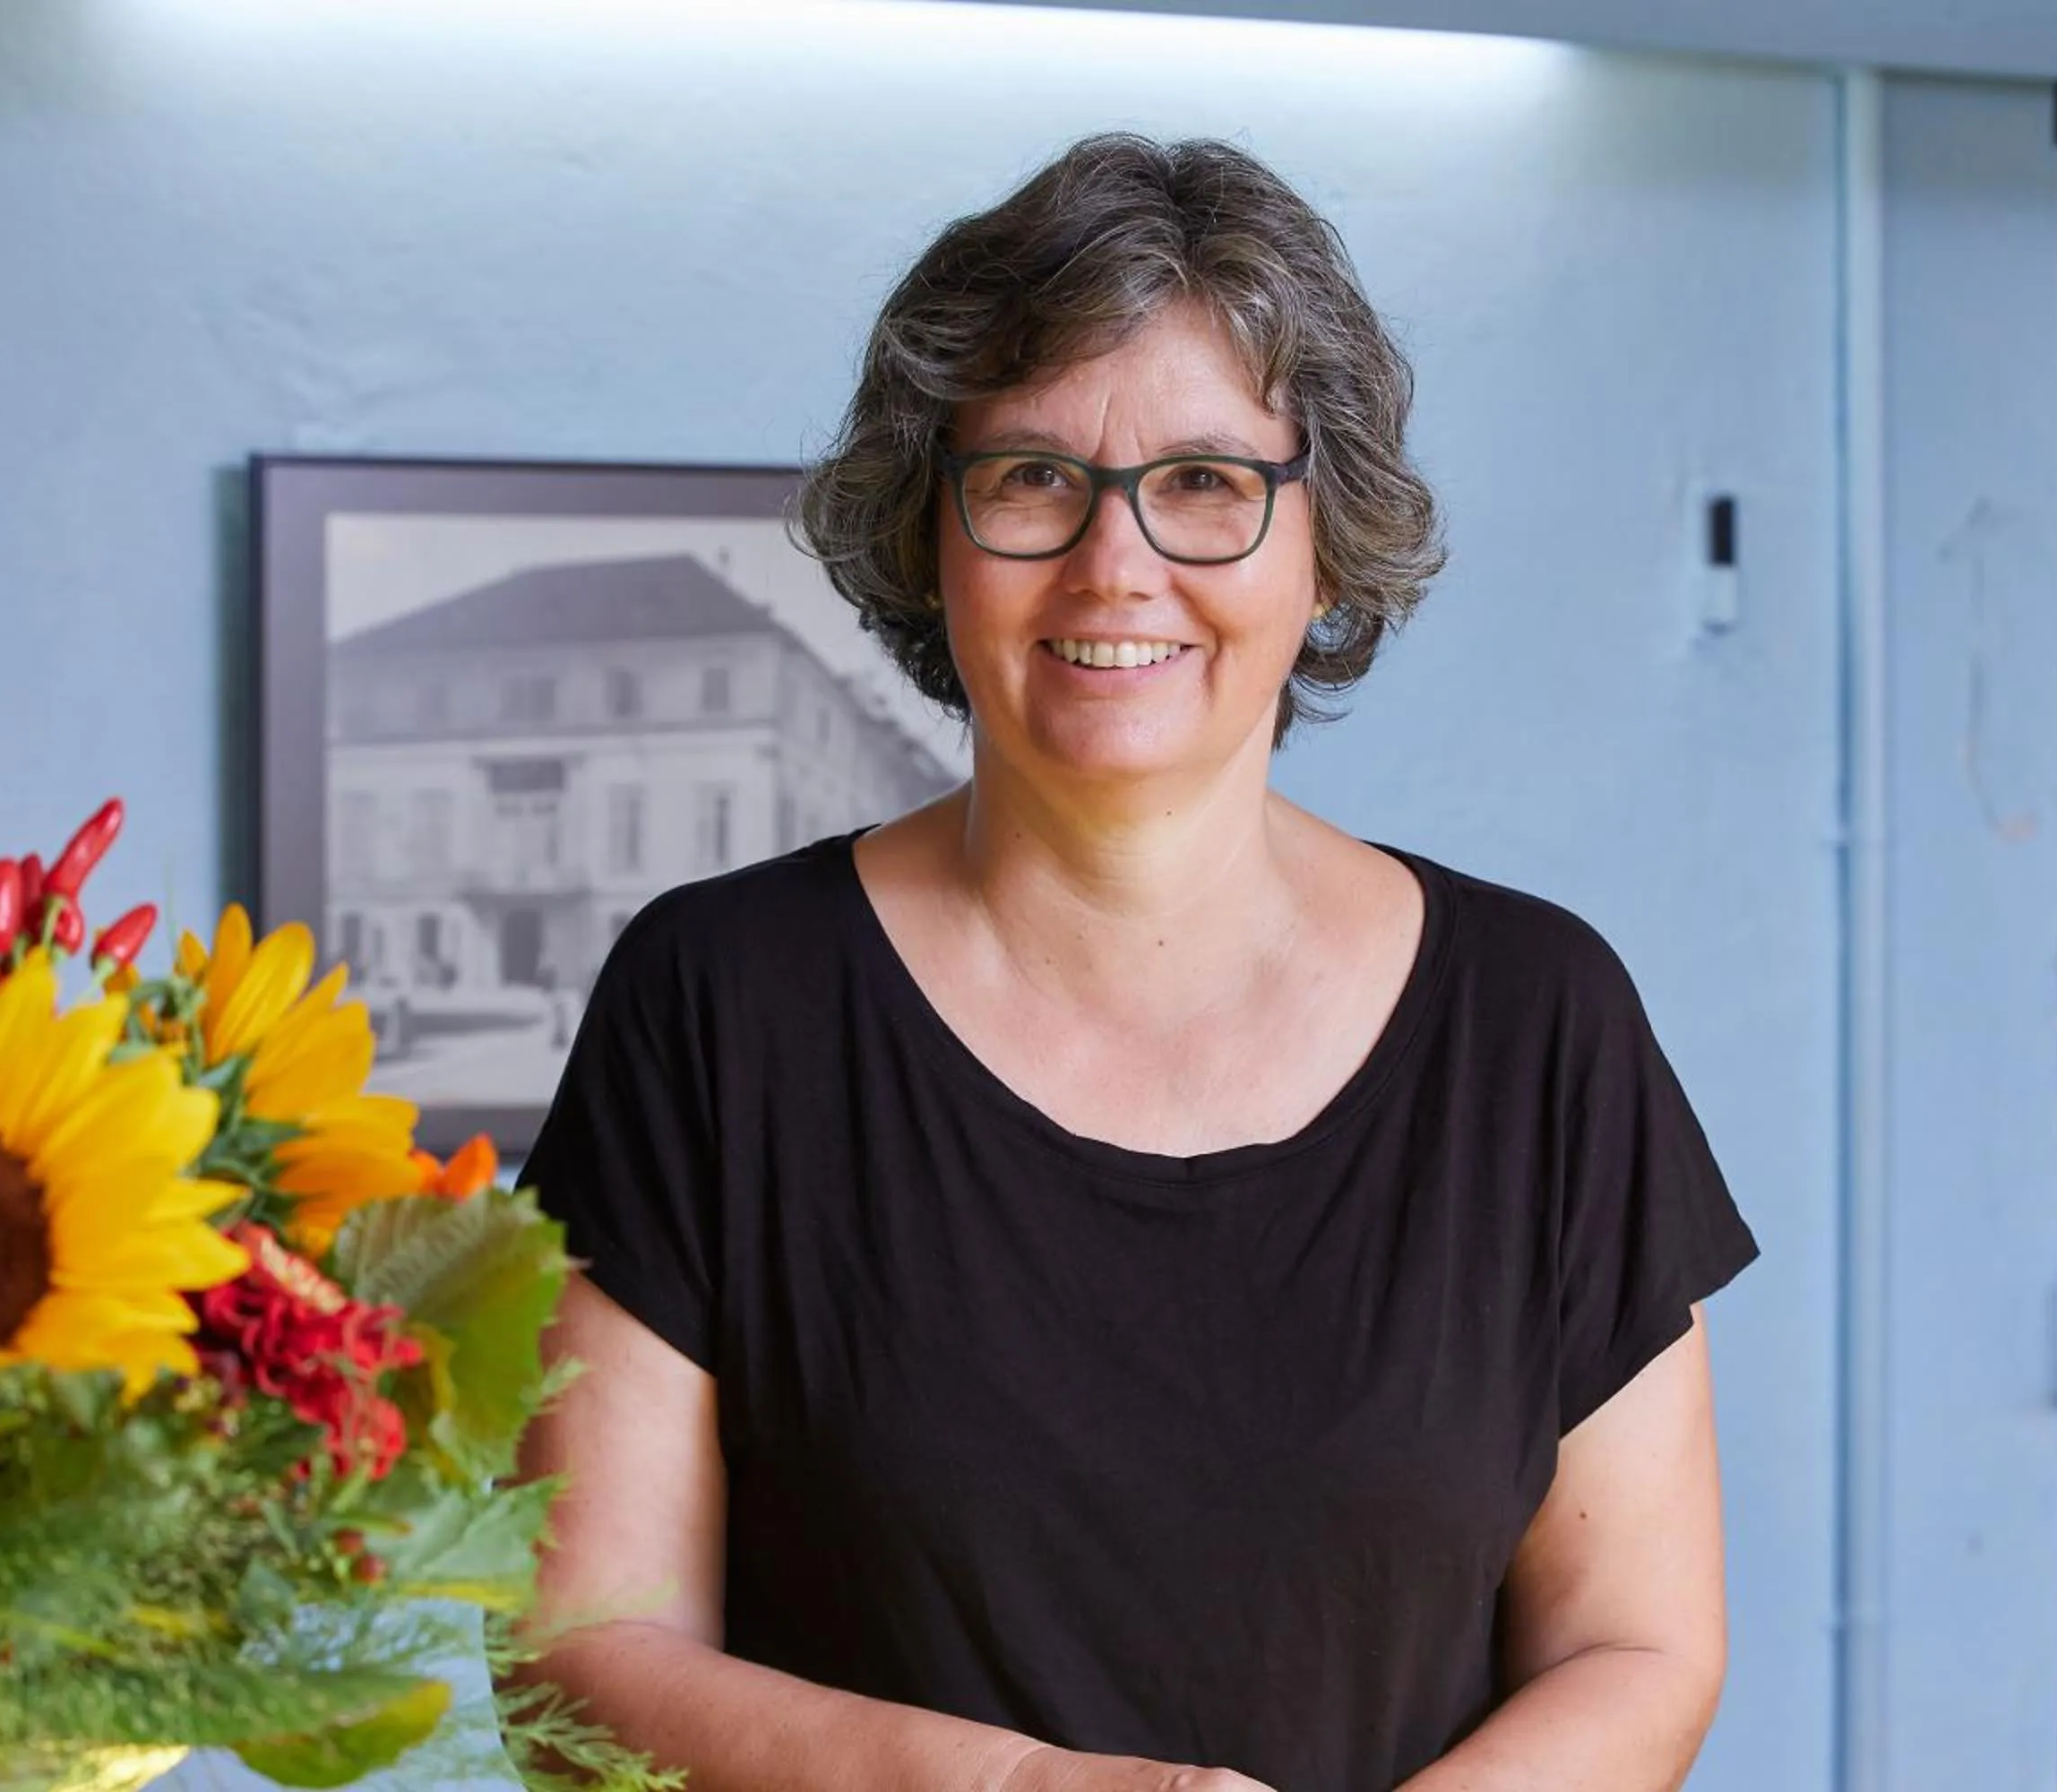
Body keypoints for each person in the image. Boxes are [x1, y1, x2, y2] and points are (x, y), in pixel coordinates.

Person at [512, 133, 1758, 1792]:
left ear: (1324, 544)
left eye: (1206, 482)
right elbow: (578, 1666)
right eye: (1032, 476)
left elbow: (1641, 1645)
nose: (1117, 566)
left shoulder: (1538, 1022)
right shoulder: (717, 1004)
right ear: (930, 537)